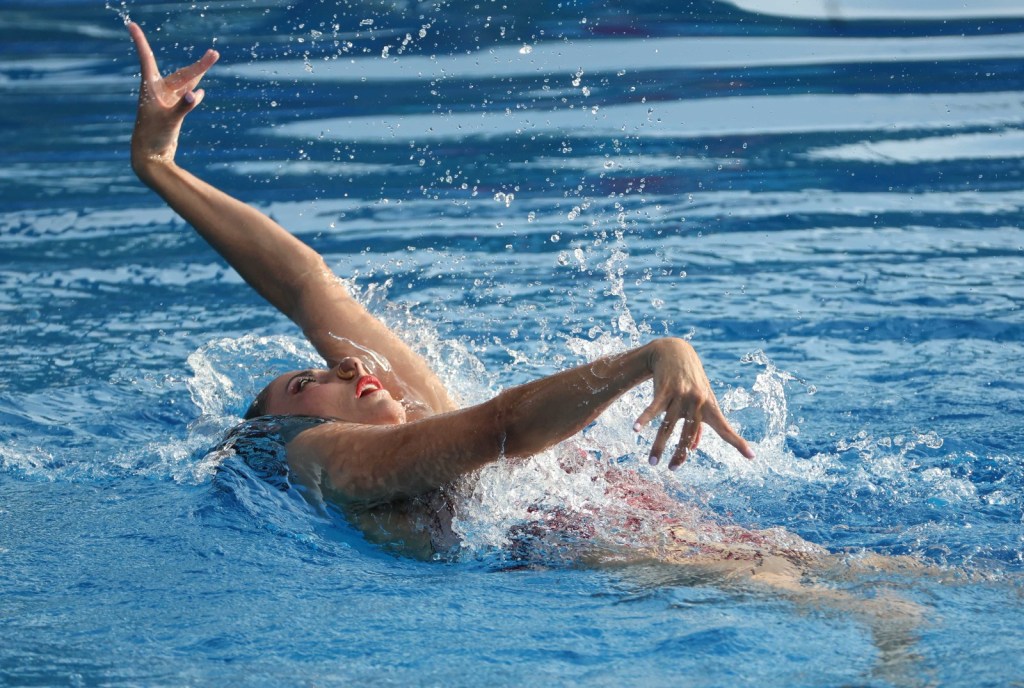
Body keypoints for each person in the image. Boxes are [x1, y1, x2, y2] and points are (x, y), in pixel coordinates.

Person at [127, 21, 754, 508]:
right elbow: (501, 429)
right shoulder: (316, 454)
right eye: (303, 383)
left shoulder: (413, 418)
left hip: (633, 536)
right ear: (281, 428)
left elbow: (303, 283)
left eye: (322, 367)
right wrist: (652, 355)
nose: (343, 363)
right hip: (610, 567)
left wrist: (159, 166)